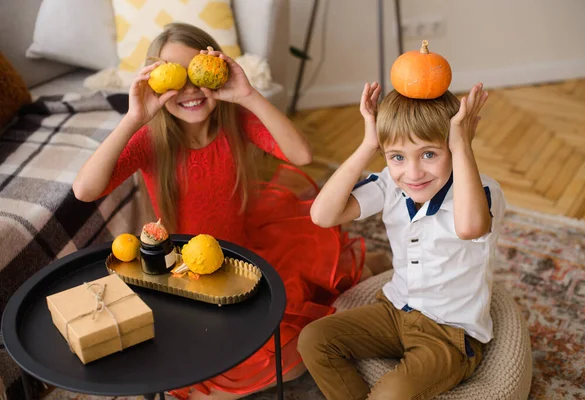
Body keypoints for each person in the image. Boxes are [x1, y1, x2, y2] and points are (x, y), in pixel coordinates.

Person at [72, 23, 368, 400]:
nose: (191, 92)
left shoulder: (236, 120)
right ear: (158, 85)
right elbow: (85, 190)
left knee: (293, 353)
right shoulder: (151, 138)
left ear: (216, 71)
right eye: (176, 80)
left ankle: (369, 263)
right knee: (203, 371)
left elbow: (302, 155)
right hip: (186, 273)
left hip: (247, 253)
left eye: (197, 74)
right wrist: (133, 118)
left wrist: (248, 95)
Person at [297, 81, 506, 400]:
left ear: (453, 145)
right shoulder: (390, 185)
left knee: (390, 394)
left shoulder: (482, 193)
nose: (413, 172)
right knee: (313, 338)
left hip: (449, 334)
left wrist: (463, 144)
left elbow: (469, 227)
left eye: (429, 154)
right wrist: (369, 144)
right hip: (394, 310)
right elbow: (322, 216)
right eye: (397, 157)